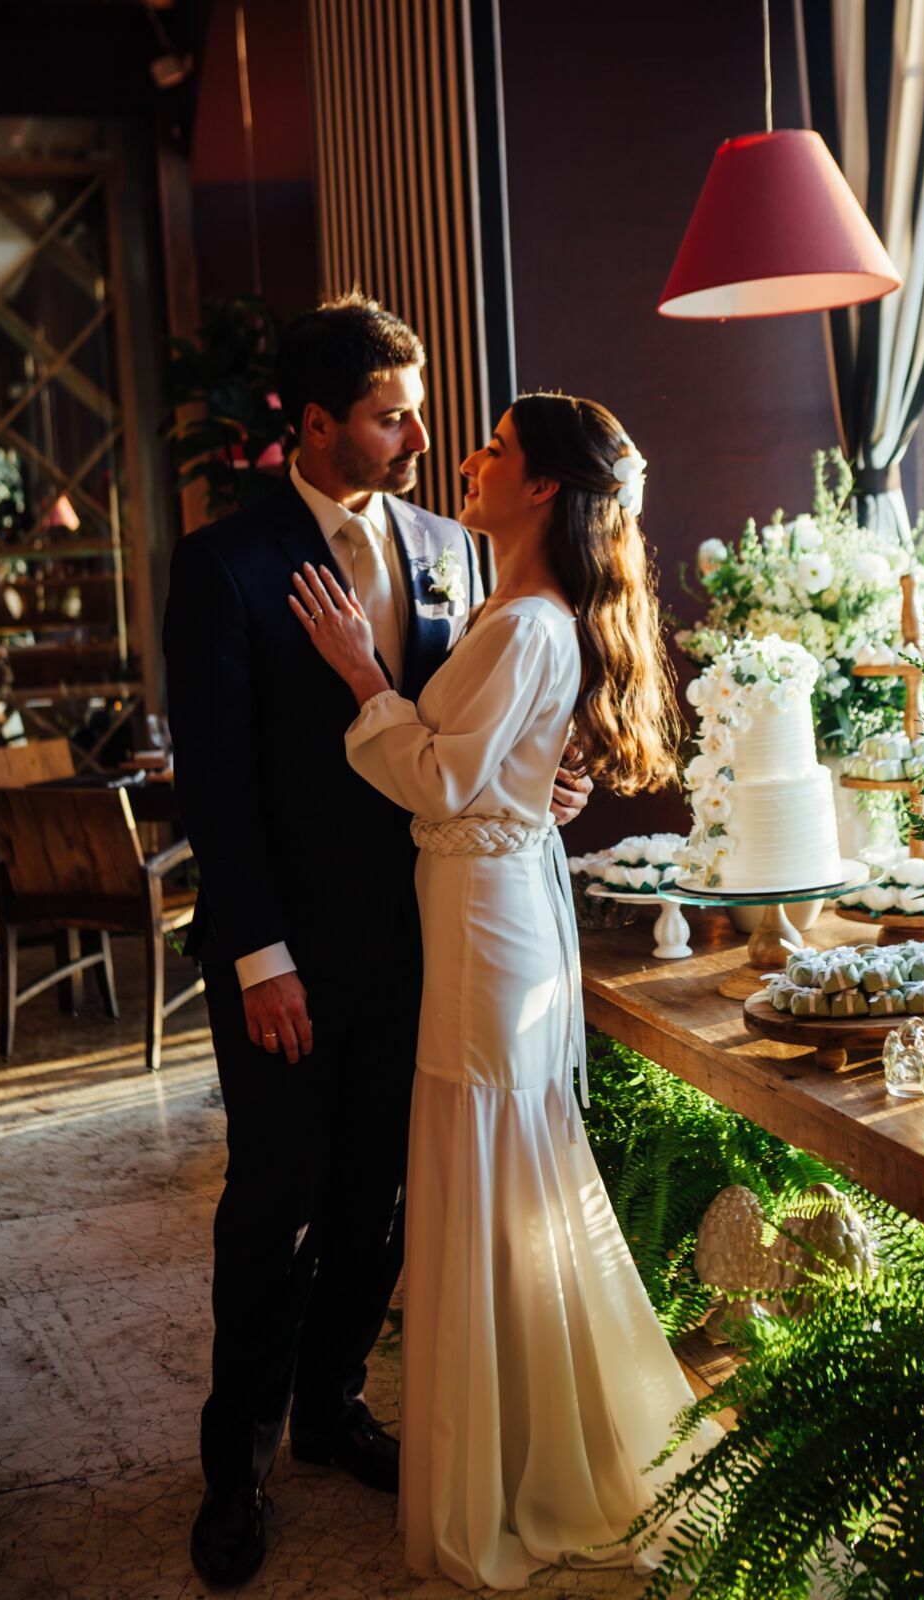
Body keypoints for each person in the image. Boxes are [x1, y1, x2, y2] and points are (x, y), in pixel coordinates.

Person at [163, 295, 591, 1588]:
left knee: (376, 1209)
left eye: (415, 412)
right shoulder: (225, 563)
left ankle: (329, 1405)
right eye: (389, 416)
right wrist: (258, 958)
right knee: (272, 1205)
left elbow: (468, 730)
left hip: (426, 944)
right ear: (310, 422)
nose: (417, 437)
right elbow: (216, 788)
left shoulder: (452, 550)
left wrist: (538, 785)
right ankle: (231, 1459)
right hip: (287, 958)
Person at [289, 391, 724, 1591]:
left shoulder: (529, 624)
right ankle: (524, 1436)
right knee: (498, 1173)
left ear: (539, 487)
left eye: (490, 449)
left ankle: (521, 1465)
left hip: (487, 931)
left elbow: (438, 782)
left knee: (493, 1169)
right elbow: (493, 772)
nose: (464, 463)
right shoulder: (514, 611)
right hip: (487, 909)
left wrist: (360, 674)